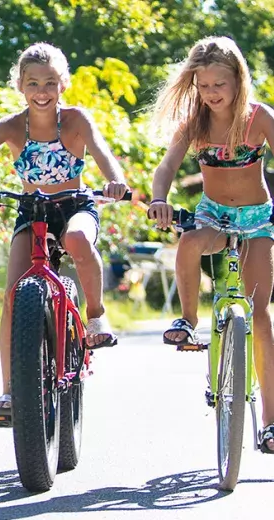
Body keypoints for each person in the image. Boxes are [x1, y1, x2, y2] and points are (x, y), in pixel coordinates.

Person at [0, 42, 128, 423]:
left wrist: (115, 181)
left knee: (77, 240)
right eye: (32, 83)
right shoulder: (11, 127)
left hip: (75, 206)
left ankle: (95, 317)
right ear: (20, 86)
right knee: (13, 296)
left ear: (62, 84)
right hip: (32, 211)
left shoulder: (76, 120)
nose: (41, 92)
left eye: (49, 83)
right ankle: (11, 391)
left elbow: (103, 153)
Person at [148, 36, 274, 453]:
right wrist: (160, 199)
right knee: (188, 241)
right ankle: (188, 320)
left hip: (257, 220)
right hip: (213, 216)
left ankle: (271, 422)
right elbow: (166, 167)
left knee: (259, 316)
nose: (211, 94)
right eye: (203, 86)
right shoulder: (194, 123)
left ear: (238, 79)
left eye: (219, 84)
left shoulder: (260, 118)